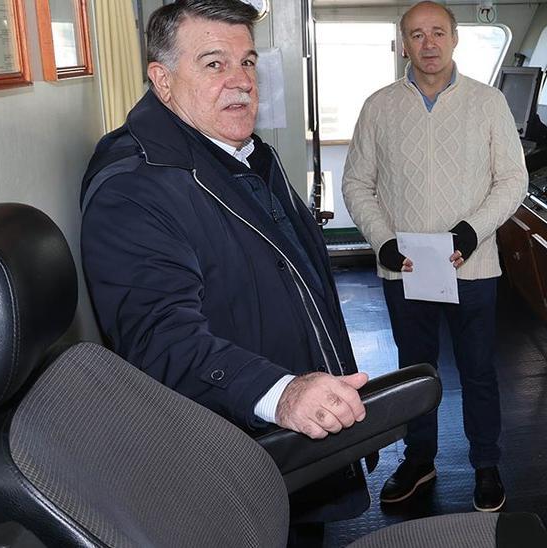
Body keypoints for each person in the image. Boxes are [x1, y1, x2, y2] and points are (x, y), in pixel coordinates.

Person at [79, 1, 369, 544]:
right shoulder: (132, 188)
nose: (241, 82)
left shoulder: (243, 154)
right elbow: (159, 338)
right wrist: (280, 391)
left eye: (248, 63)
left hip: (296, 448)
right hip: (233, 459)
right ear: (162, 81)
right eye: (214, 64)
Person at [341, 1, 528, 513]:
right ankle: (419, 459)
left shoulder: (488, 103)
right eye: (417, 34)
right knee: (415, 371)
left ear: (455, 39)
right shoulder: (379, 106)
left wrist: (469, 233)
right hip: (402, 268)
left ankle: (486, 465)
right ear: (404, 43)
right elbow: (357, 182)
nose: (428, 44)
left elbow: (513, 180)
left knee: (478, 372)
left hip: (472, 267)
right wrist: (384, 241)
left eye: (438, 32)